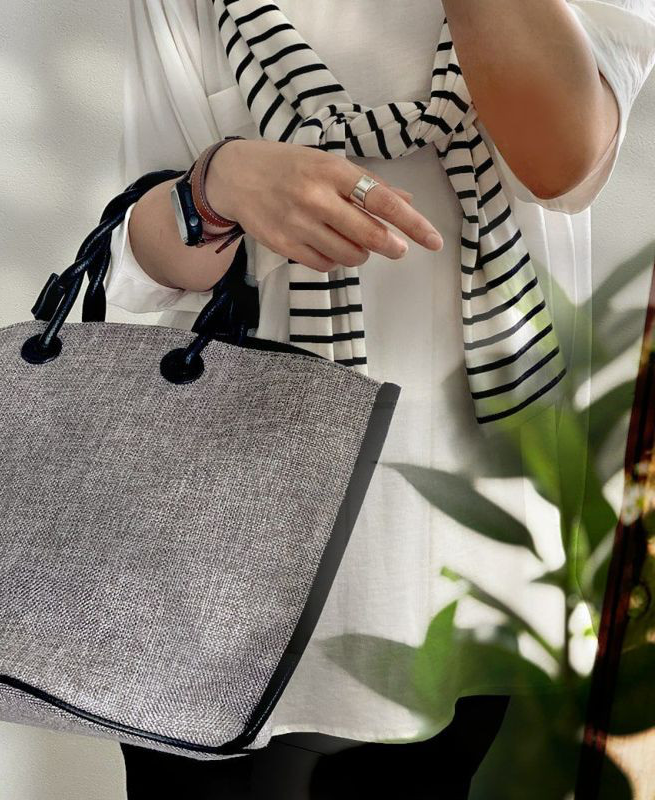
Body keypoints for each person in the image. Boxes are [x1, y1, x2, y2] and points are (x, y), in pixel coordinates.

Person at [105, 1, 655, 797]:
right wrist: (217, 187)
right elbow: (141, 268)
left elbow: (562, 159)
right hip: (222, 568)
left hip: (469, 570)